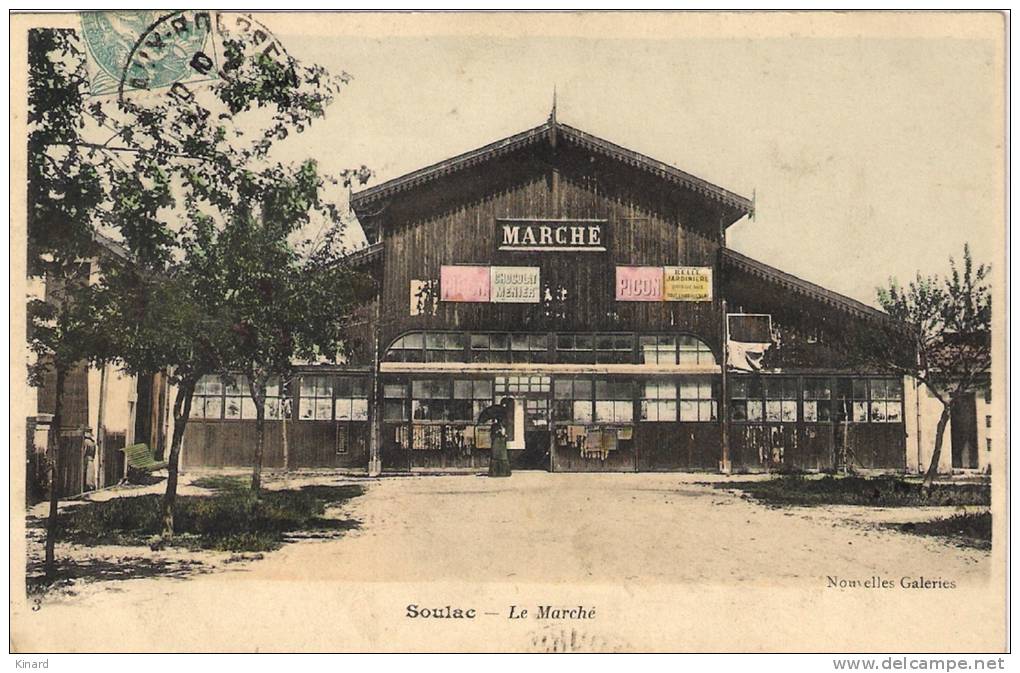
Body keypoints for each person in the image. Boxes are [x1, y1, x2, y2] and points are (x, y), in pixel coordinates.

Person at [487, 398, 513, 478]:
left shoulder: (504, 426)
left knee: (502, 456)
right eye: (499, 419)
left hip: (501, 442)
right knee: (496, 456)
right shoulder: (494, 426)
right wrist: (497, 432)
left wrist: (504, 434)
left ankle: (503, 473)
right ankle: (495, 473)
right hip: (496, 442)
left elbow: (506, 434)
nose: (500, 420)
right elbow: (492, 434)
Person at [82, 427, 97, 492]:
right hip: (91, 460)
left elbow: (84, 452)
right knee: (91, 475)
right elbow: (94, 453)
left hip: (86, 459)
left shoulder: (86, 441)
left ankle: (87, 487)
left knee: (86, 474)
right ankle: (91, 486)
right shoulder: (93, 442)